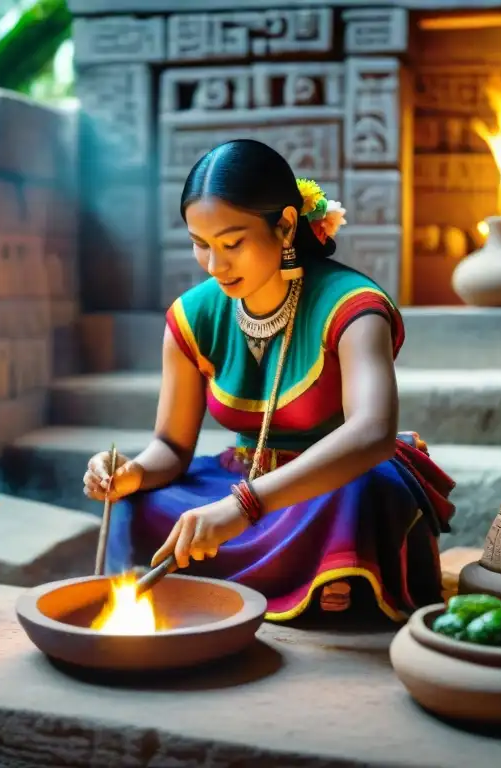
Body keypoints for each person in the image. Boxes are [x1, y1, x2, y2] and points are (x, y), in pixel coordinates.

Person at [82, 139, 456, 622]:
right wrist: (131, 472)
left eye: (232, 243)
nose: (215, 266)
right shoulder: (192, 317)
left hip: (328, 485)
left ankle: (312, 575)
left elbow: (372, 434)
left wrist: (242, 507)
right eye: (201, 245)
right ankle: (305, 581)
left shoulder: (352, 307)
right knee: (138, 504)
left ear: (283, 226)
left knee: (361, 495)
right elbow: (171, 448)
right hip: (238, 477)